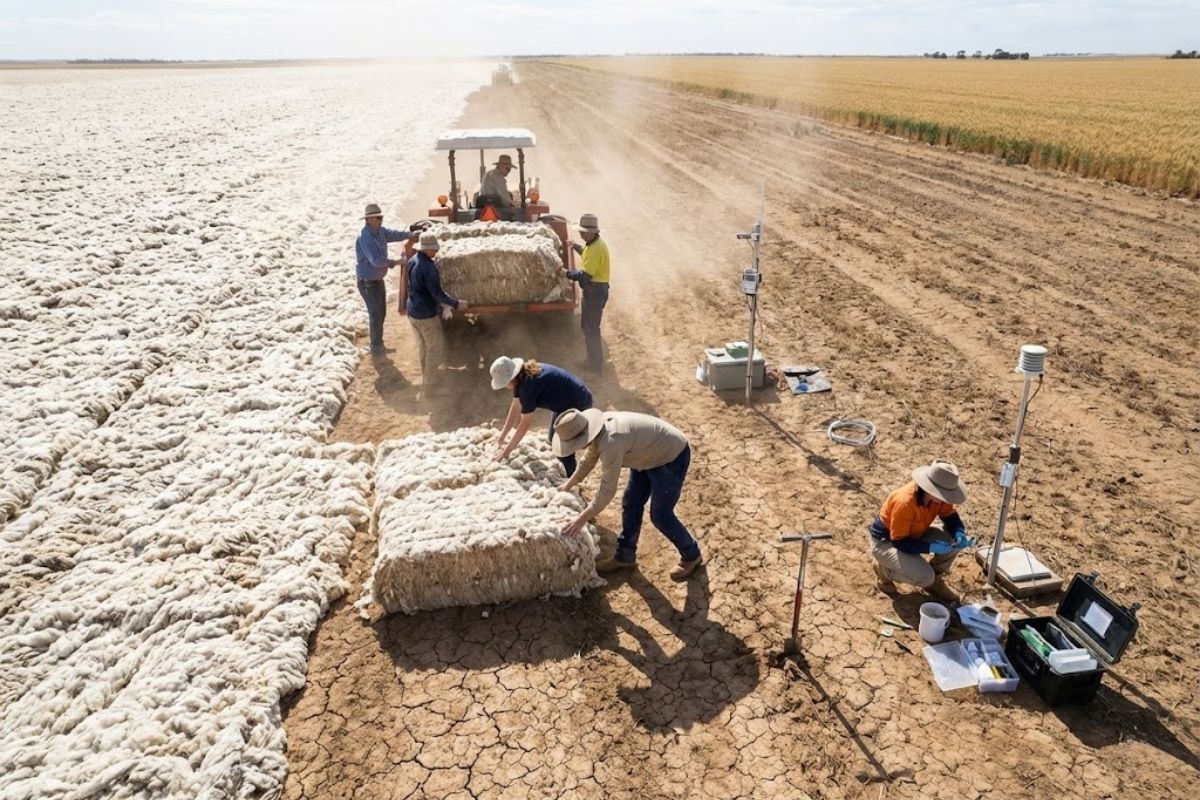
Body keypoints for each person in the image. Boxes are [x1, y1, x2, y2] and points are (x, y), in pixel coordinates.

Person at [554, 409, 703, 581]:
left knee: (661, 515)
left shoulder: (611, 442)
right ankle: (625, 556)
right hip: (645, 453)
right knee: (631, 502)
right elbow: (589, 459)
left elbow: (607, 491)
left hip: (670, 456)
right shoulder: (597, 432)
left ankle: (692, 554)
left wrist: (581, 519)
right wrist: (569, 484)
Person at [868, 459, 975, 602]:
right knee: (924, 576)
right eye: (943, 495)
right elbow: (899, 541)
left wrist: (959, 532)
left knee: (952, 541)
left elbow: (949, 515)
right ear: (930, 488)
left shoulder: (939, 498)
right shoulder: (905, 502)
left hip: (914, 533)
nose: (945, 500)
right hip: (888, 542)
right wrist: (929, 547)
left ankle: (934, 581)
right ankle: (884, 570)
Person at [490, 356, 593, 476]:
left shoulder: (527, 387)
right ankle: (568, 475)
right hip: (565, 402)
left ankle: (572, 480)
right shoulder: (522, 376)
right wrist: (502, 437)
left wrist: (506, 451)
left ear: (511, 379)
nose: (504, 387)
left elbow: (524, 424)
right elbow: (515, 407)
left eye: (504, 383)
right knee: (552, 439)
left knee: (562, 446)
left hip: (578, 402)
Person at [406, 231, 467, 390]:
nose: (436, 252)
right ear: (425, 249)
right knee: (434, 348)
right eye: (433, 250)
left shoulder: (412, 260)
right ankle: (431, 385)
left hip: (413, 312)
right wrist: (455, 303)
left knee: (423, 347)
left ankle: (427, 375)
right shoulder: (428, 268)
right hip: (426, 315)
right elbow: (437, 293)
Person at [355, 203, 414, 356]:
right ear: (368, 220)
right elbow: (376, 260)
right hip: (368, 281)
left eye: (381, 217)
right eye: (377, 217)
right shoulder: (365, 237)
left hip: (377, 279)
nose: (380, 220)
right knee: (375, 313)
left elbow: (394, 235)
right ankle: (376, 348)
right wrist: (396, 262)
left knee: (381, 312)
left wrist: (410, 235)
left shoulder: (380, 232)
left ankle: (378, 345)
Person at [564, 213, 609, 374]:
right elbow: (586, 254)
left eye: (582, 232)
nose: (581, 234)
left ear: (591, 232)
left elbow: (584, 276)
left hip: (595, 292)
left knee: (592, 329)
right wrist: (574, 246)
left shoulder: (596, 248)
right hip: (593, 291)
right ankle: (591, 360)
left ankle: (595, 368)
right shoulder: (593, 244)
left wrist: (564, 272)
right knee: (587, 326)